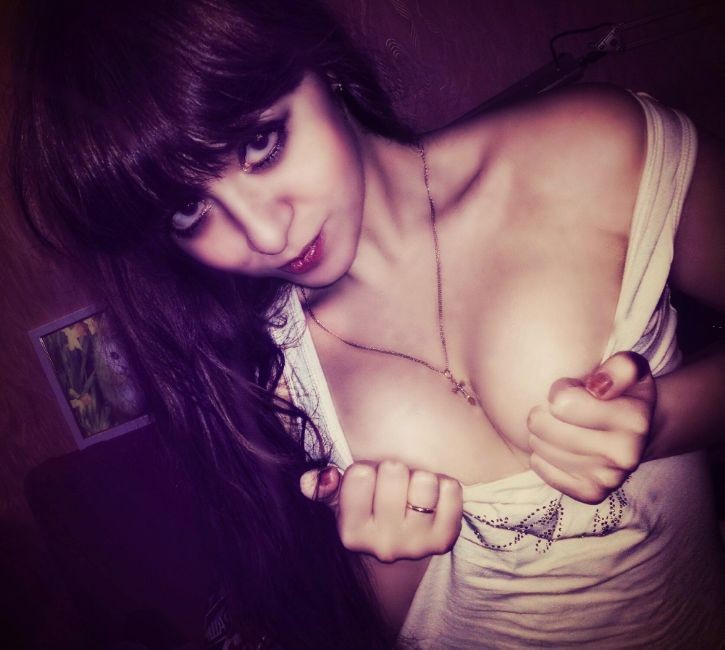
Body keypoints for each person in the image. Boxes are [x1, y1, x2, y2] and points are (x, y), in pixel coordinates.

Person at [11, 0, 725, 647]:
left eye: (260, 143)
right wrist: (380, 561)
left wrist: (662, 417)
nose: (265, 234)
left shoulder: (594, 146)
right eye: (189, 211)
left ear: (316, 60)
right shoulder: (263, 377)